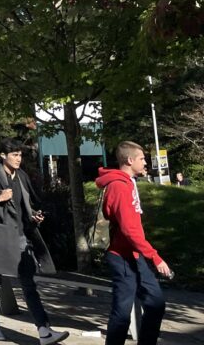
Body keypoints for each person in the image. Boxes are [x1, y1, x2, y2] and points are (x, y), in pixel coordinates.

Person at [0, 139, 68, 345]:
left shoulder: (21, 176)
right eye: (14, 155)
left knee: (28, 284)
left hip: (21, 236)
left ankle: (44, 331)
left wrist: (34, 217)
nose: (18, 159)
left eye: (20, 155)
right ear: (2, 155)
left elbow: (25, 206)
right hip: (0, 236)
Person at [95, 142, 171, 345]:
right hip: (122, 256)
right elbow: (130, 230)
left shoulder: (127, 182)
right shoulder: (119, 186)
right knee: (122, 311)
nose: (145, 162)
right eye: (142, 159)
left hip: (134, 255)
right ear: (129, 160)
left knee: (155, 303)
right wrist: (155, 257)